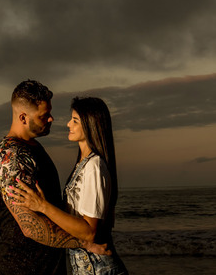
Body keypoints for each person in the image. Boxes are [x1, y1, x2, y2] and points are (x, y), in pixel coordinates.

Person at [0, 80, 109, 275]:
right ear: (23, 117)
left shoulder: (33, 148)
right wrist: (85, 243)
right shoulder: (10, 159)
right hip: (22, 269)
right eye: (44, 116)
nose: (51, 119)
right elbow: (30, 226)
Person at [8, 96, 127, 275]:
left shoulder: (94, 166)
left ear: (90, 124)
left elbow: (89, 232)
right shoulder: (83, 163)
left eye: (75, 120)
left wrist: (42, 206)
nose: (68, 124)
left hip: (97, 269)